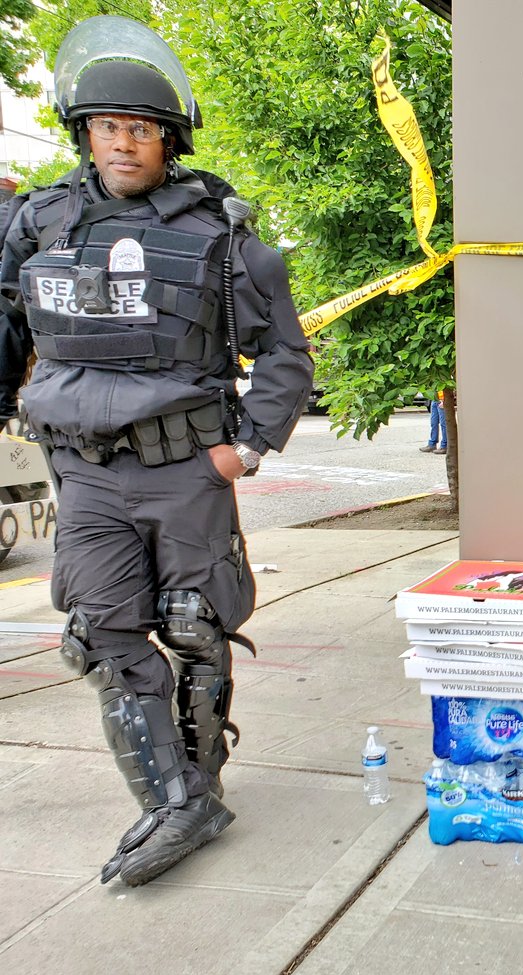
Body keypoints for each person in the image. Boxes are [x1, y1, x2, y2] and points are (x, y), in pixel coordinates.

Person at [0, 16, 313, 887]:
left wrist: (242, 452)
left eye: (141, 128)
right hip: (85, 474)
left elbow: (286, 357)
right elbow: (8, 320)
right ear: (84, 133)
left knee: (192, 627)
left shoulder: (221, 235)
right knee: (100, 636)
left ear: (167, 139)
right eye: (108, 126)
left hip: (185, 469)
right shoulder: (40, 225)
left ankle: (190, 796)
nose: (124, 143)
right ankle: (179, 802)